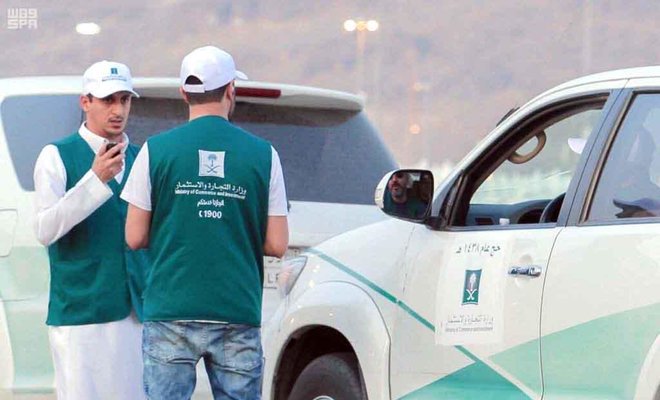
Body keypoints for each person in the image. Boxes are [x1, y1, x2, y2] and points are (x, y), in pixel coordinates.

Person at [121, 45, 289, 399]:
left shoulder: (154, 150)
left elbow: (134, 236)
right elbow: (277, 244)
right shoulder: (265, 154)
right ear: (231, 90)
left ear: (184, 93)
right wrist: (234, 230)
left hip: (170, 308)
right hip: (236, 309)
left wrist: (179, 227)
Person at [33, 60, 149, 399]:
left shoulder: (143, 158)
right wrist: (94, 181)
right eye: (108, 100)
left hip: (136, 311)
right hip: (82, 311)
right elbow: (44, 229)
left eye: (124, 100)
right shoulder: (56, 155)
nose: (118, 110)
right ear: (85, 102)